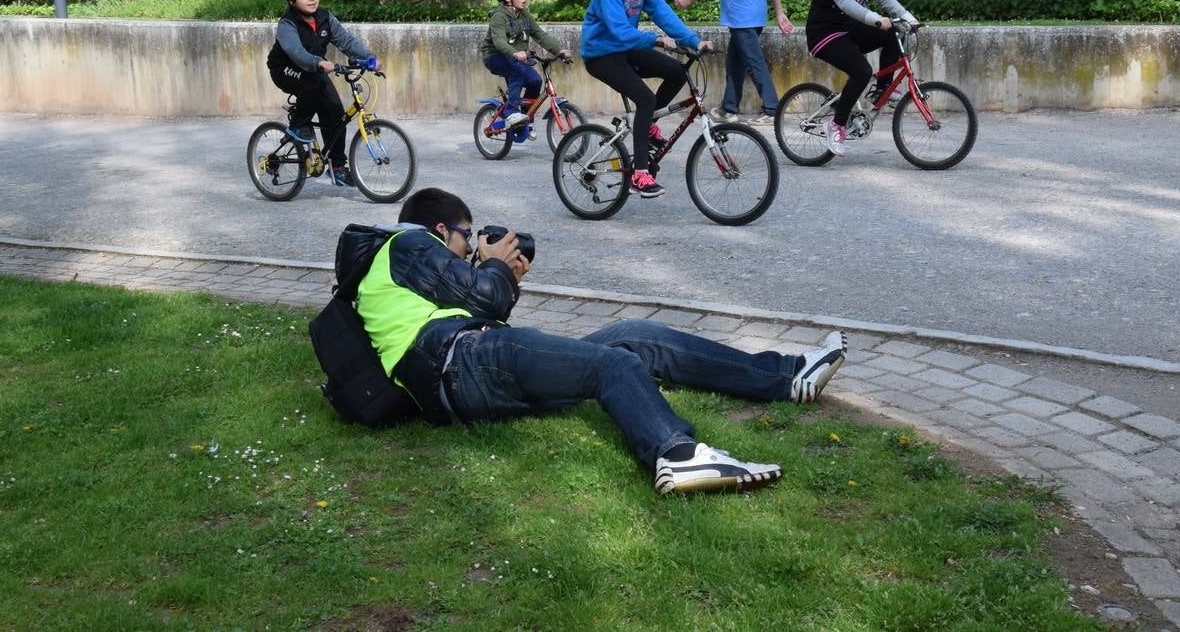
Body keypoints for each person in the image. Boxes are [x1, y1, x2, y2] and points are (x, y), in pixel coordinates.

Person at [339, 186, 849, 495]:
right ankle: (677, 454)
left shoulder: (411, 267)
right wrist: (495, 264)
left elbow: (486, 304)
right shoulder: (406, 242)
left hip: (471, 373)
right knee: (613, 365)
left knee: (635, 338)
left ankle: (787, 377)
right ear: (440, 228)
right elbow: (485, 304)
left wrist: (506, 274)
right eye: (468, 237)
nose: (471, 247)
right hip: (460, 361)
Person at [581, 0, 715, 198]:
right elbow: (618, 30)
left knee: (677, 72)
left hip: (626, 48)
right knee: (645, 98)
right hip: (601, 55)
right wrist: (654, 40)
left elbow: (663, 13)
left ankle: (648, 122)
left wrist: (693, 41)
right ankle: (639, 174)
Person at [804, 0, 919, 157]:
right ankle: (835, 125)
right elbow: (847, 4)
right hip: (824, 34)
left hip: (849, 30)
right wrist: (875, 18)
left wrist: (908, 18)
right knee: (861, 71)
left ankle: (882, 89)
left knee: (894, 33)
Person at [267, 0, 378, 186]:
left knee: (336, 115)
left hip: (315, 69)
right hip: (285, 69)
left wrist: (369, 58)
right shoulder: (287, 25)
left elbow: (346, 41)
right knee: (313, 82)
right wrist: (318, 63)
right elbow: (296, 52)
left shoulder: (325, 18)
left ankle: (337, 167)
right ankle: (299, 125)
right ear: (292, 1)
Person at [481, 0, 572, 133]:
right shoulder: (499, 17)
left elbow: (540, 35)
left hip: (514, 57)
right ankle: (510, 112)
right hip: (494, 56)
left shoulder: (524, 16)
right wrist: (516, 53)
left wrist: (559, 51)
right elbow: (499, 42)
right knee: (517, 72)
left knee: (535, 81)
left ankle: (525, 119)